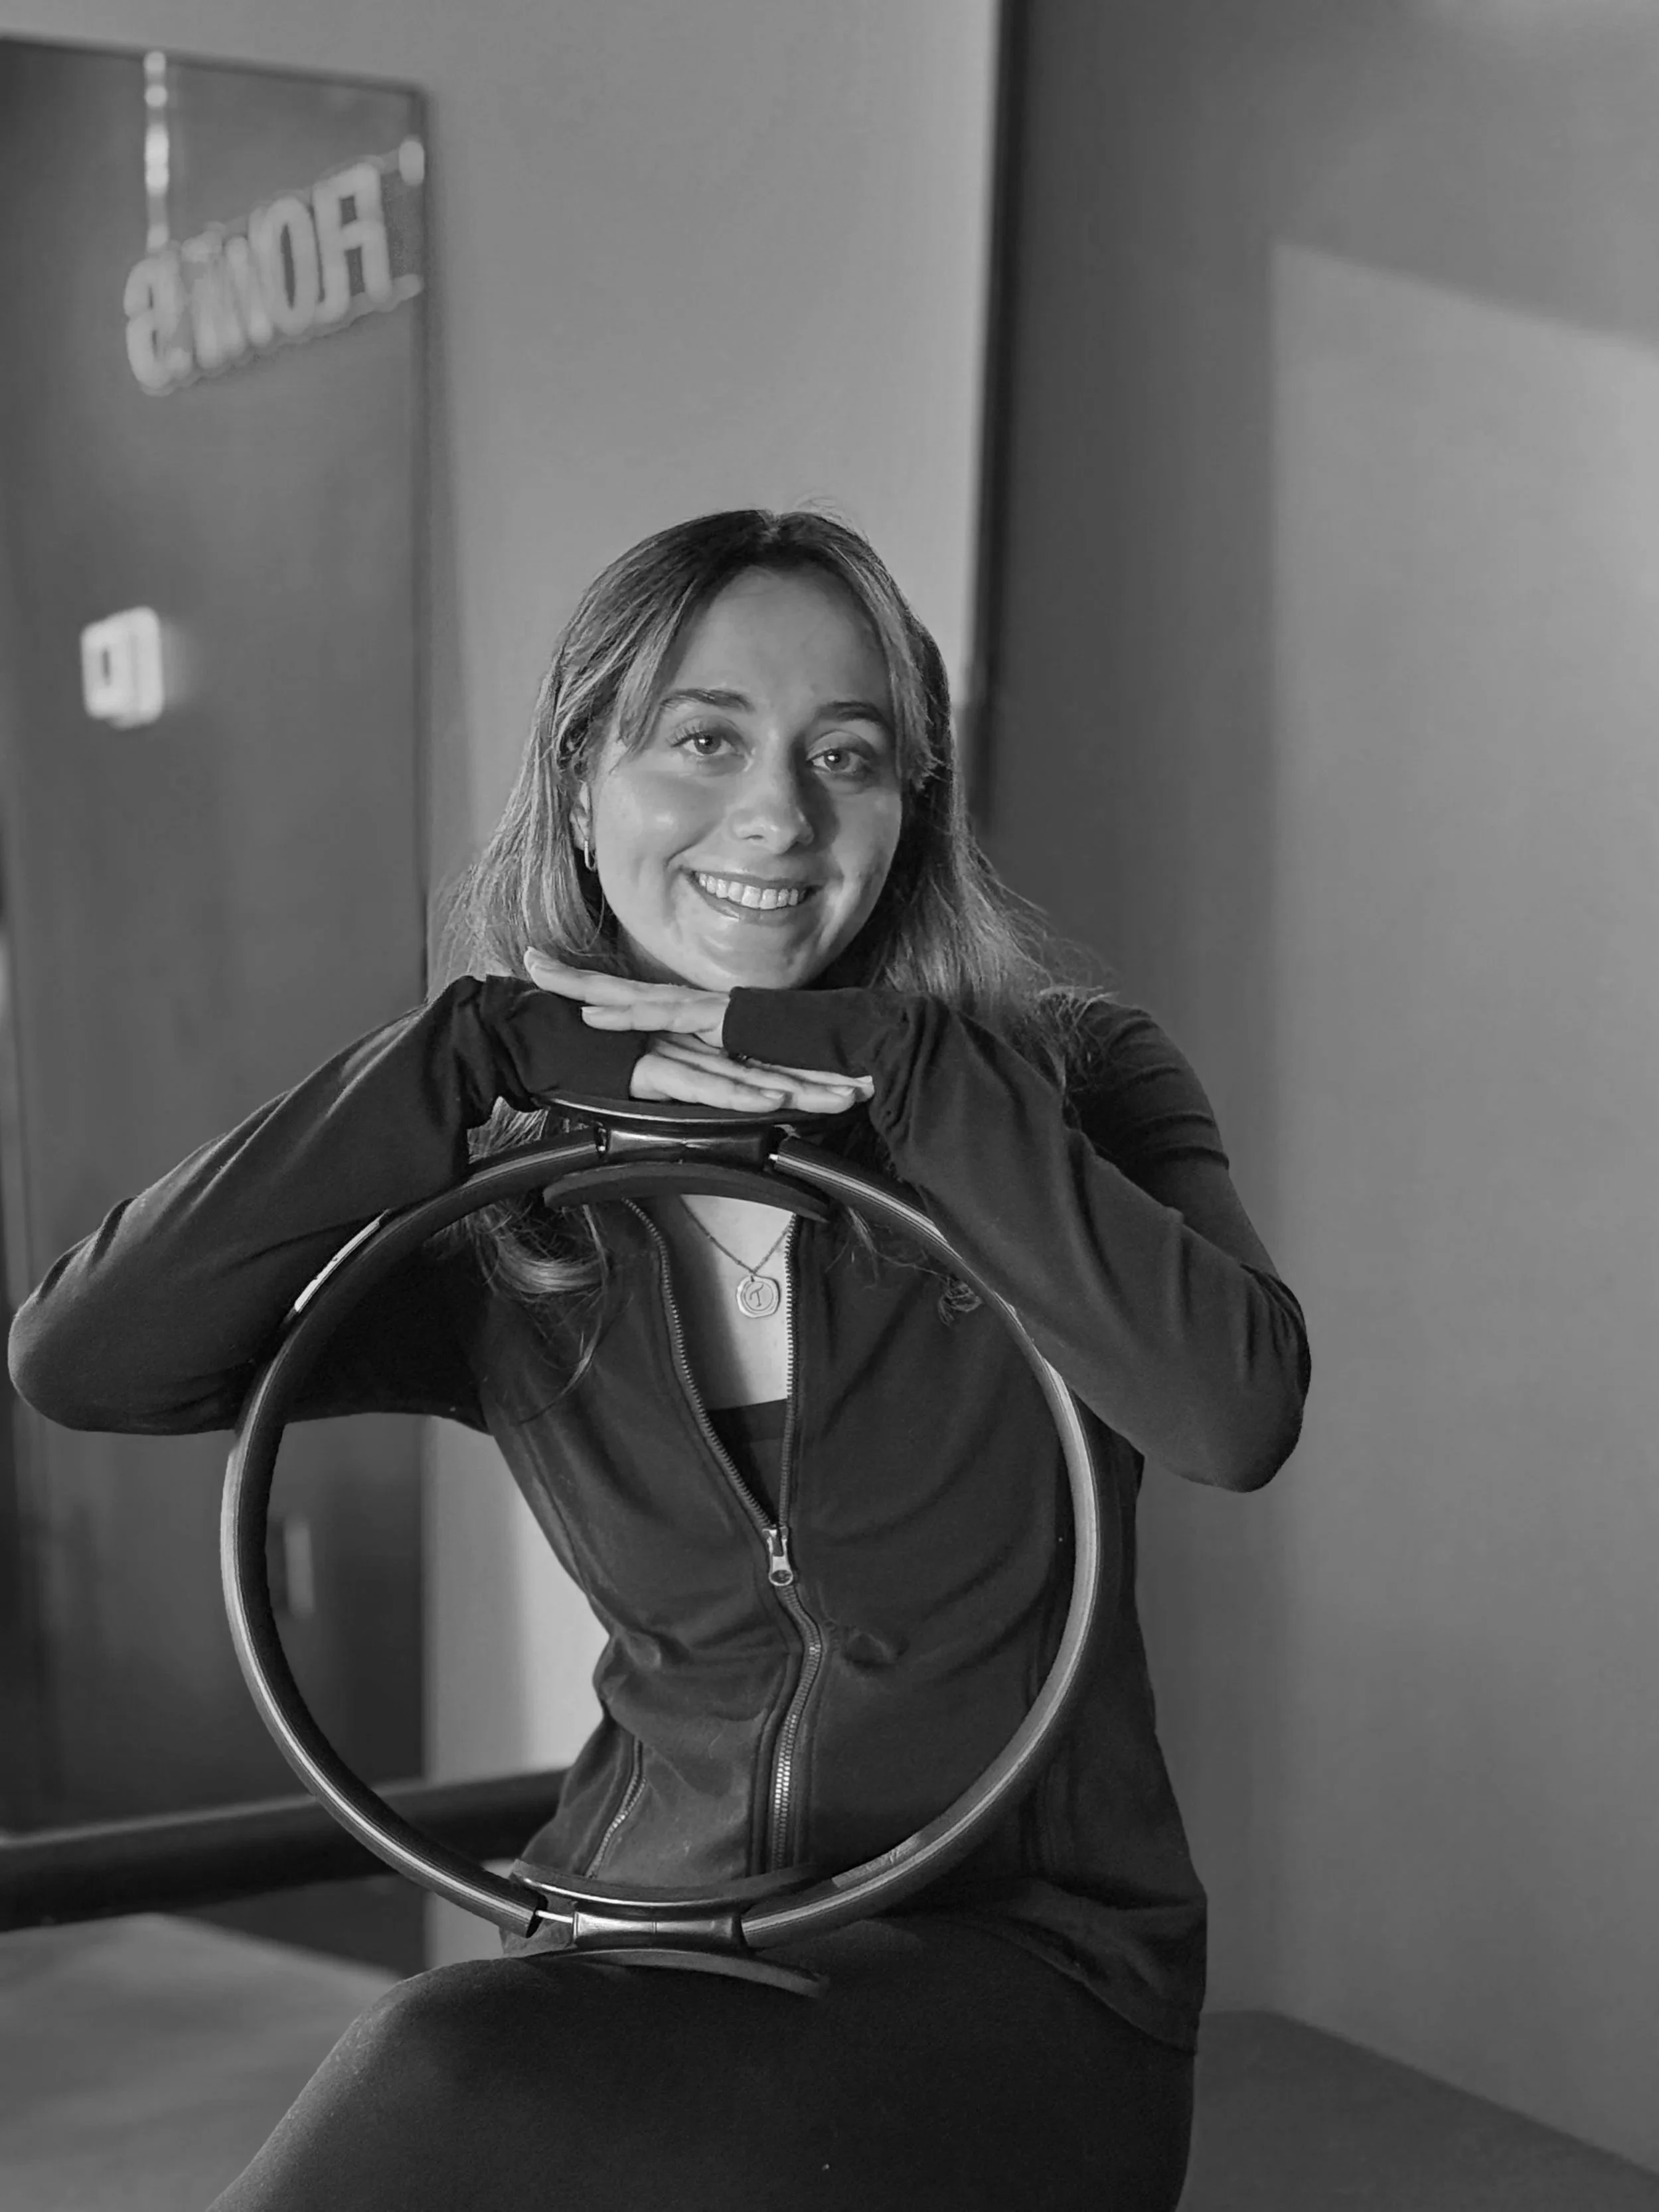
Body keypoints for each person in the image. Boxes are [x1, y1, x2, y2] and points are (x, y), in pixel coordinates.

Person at [9, 506, 1310, 2210]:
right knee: (477, 2070)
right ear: (579, 783)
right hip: (635, 1945)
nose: (776, 813)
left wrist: (900, 1077)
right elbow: (89, 1357)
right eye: (703, 738)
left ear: (911, 810)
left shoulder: (1063, 1090)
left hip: (1026, 1979)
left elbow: (1234, 1407)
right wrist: (456, 1058)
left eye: (848, 755)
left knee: (447, 2067)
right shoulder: (517, 1208)